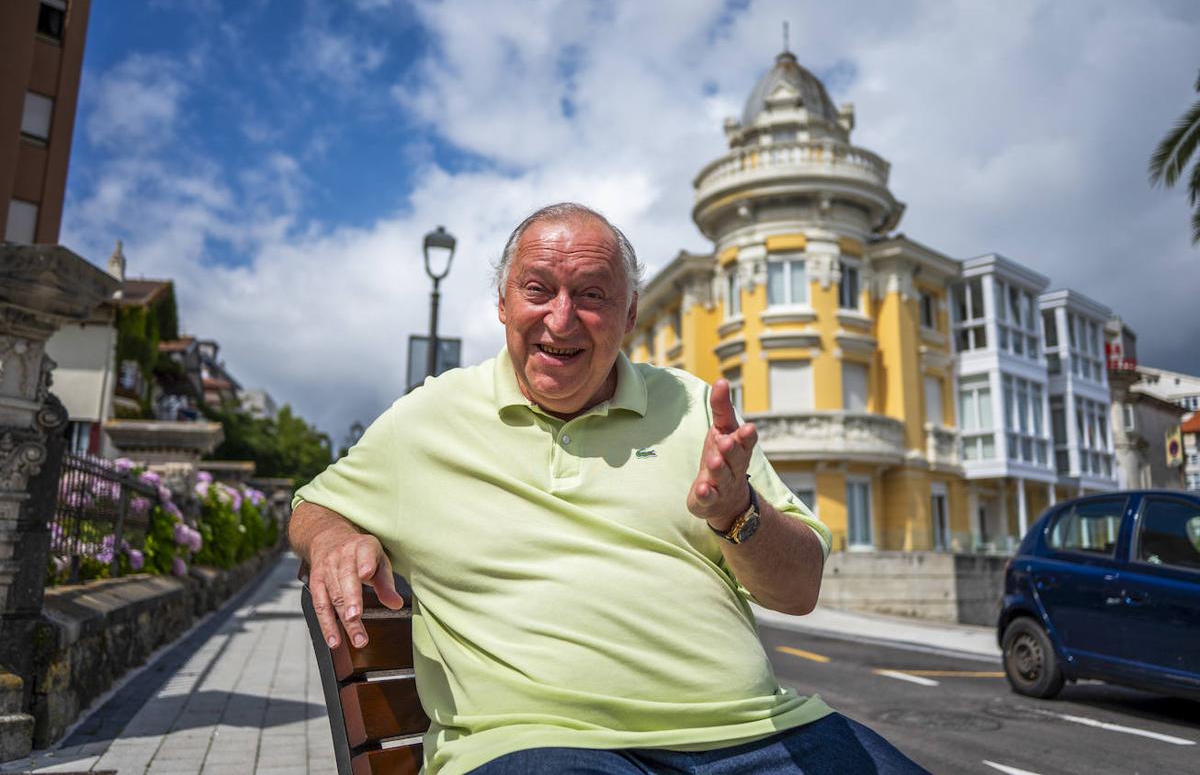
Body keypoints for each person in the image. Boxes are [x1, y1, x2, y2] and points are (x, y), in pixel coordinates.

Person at [290, 203, 927, 774]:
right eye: (537, 290)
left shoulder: (696, 406)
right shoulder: (428, 418)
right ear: (504, 304)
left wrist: (739, 513)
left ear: (628, 315)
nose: (560, 319)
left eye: (591, 295)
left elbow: (798, 591)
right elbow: (312, 504)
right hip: (537, 743)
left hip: (755, 734)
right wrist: (332, 535)